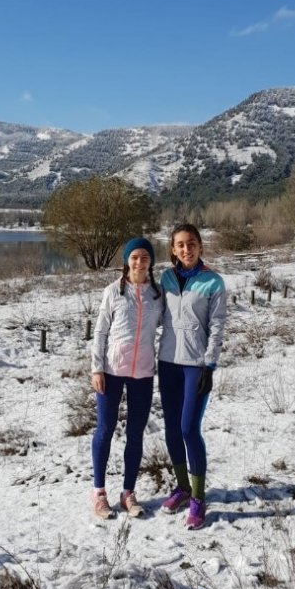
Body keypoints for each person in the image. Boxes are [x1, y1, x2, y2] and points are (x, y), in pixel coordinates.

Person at [158, 223, 227, 529]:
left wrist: (209, 366)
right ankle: (183, 488)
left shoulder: (213, 281)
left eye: (191, 243)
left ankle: (198, 498)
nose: (187, 249)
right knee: (172, 430)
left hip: (195, 366)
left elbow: (217, 326)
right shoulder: (166, 279)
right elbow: (153, 313)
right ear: (173, 249)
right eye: (181, 245)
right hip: (167, 363)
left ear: (200, 246)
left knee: (188, 429)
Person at [90, 236, 162, 519]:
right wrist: (97, 368)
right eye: (134, 257)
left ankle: (128, 493)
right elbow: (100, 332)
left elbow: (170, 326)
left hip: (142, 373)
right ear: (126, 260)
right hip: (111, 371)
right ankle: (99, 494)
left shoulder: (158, 295)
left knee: (135, 433)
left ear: (151, 261)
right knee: (105, 429)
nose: (139, 262)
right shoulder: (113, 291)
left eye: (144, 257)